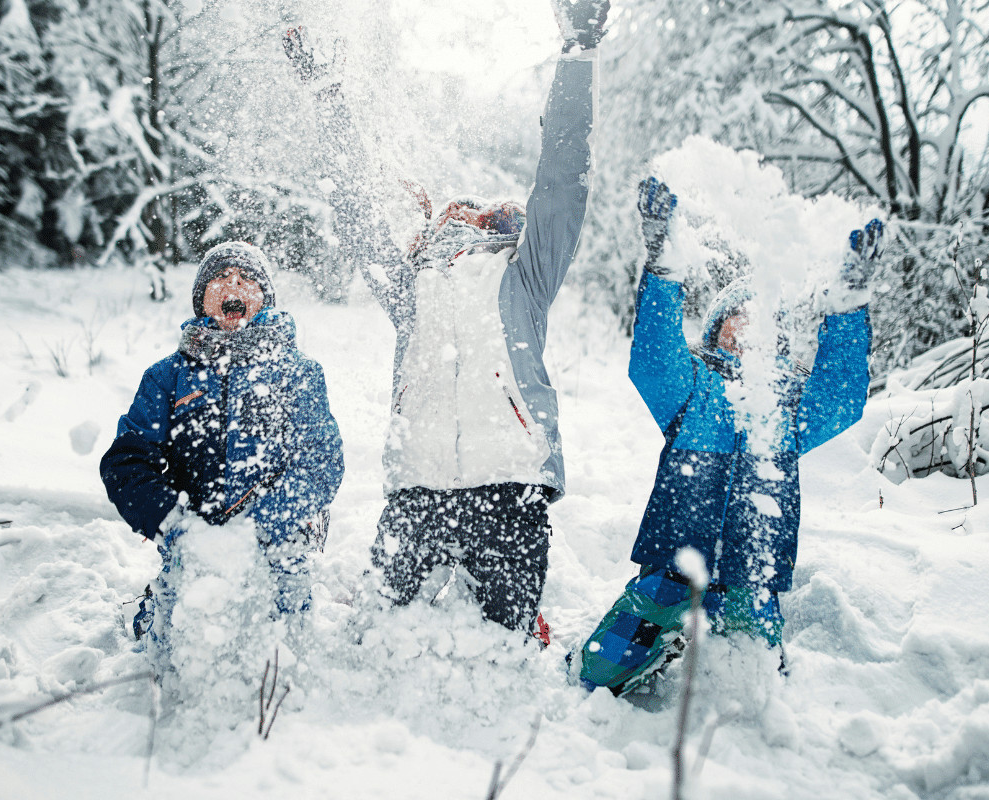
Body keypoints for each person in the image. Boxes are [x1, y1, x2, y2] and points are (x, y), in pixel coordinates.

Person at [282, 0, 610, 636]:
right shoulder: (410, 290)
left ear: (494, 222)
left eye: (475, 210)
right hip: (417, 488)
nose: (461, 215)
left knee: (502, 648)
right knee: (376, 636)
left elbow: (562, 179)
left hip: (509, 486)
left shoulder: (525, 275)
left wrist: (577, 55)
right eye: (449, 211)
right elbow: (353, 210)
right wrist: (325, 93)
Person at [576, 177, 881, 694]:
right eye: (736, 317)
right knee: (599, 671)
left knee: (755, 686)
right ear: (716, 327)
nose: (747, 326)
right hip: (676, 561)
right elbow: (652, 362)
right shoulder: (692, 384)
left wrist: (848, 306)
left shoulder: (787, 402)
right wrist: (663, 272)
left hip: (752, 567)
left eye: (759, 319)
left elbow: (842, 398)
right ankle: (655, 649)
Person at [99, 241, 344, 652]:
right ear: (202, 301)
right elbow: (126, 463)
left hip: (277, 541)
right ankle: (157, 606)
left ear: (263, 299)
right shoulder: (168, 376)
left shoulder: (298, 373)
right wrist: (176, 526)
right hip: (193, 544)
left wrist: (265, 524)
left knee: (279, 653)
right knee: (179, 650)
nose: (234, 283)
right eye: (220, 277)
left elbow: (321, 462)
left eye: (247, 279)